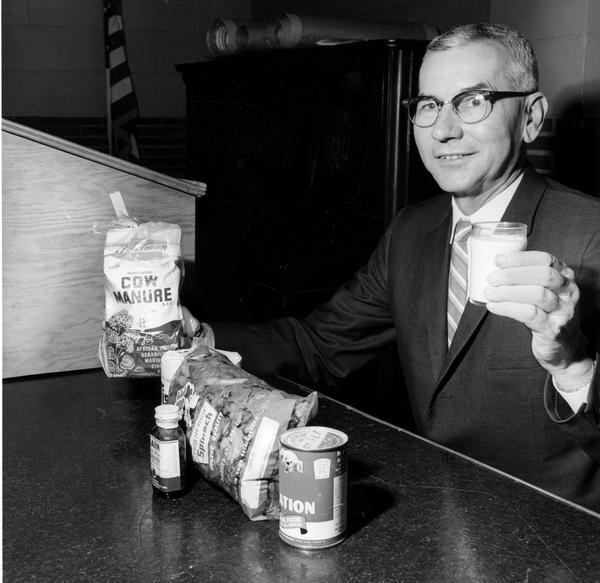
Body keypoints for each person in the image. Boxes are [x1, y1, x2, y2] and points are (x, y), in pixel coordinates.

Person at [184, 23, 600, 512]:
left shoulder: (590, 231)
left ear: (530, 117)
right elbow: (318, 346)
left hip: (554, 540)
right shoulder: (412, 232)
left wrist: (572, 366)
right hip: (439, 518)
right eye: (429, 105)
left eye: (472, 100)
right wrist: (197, 336)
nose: (444, 129)